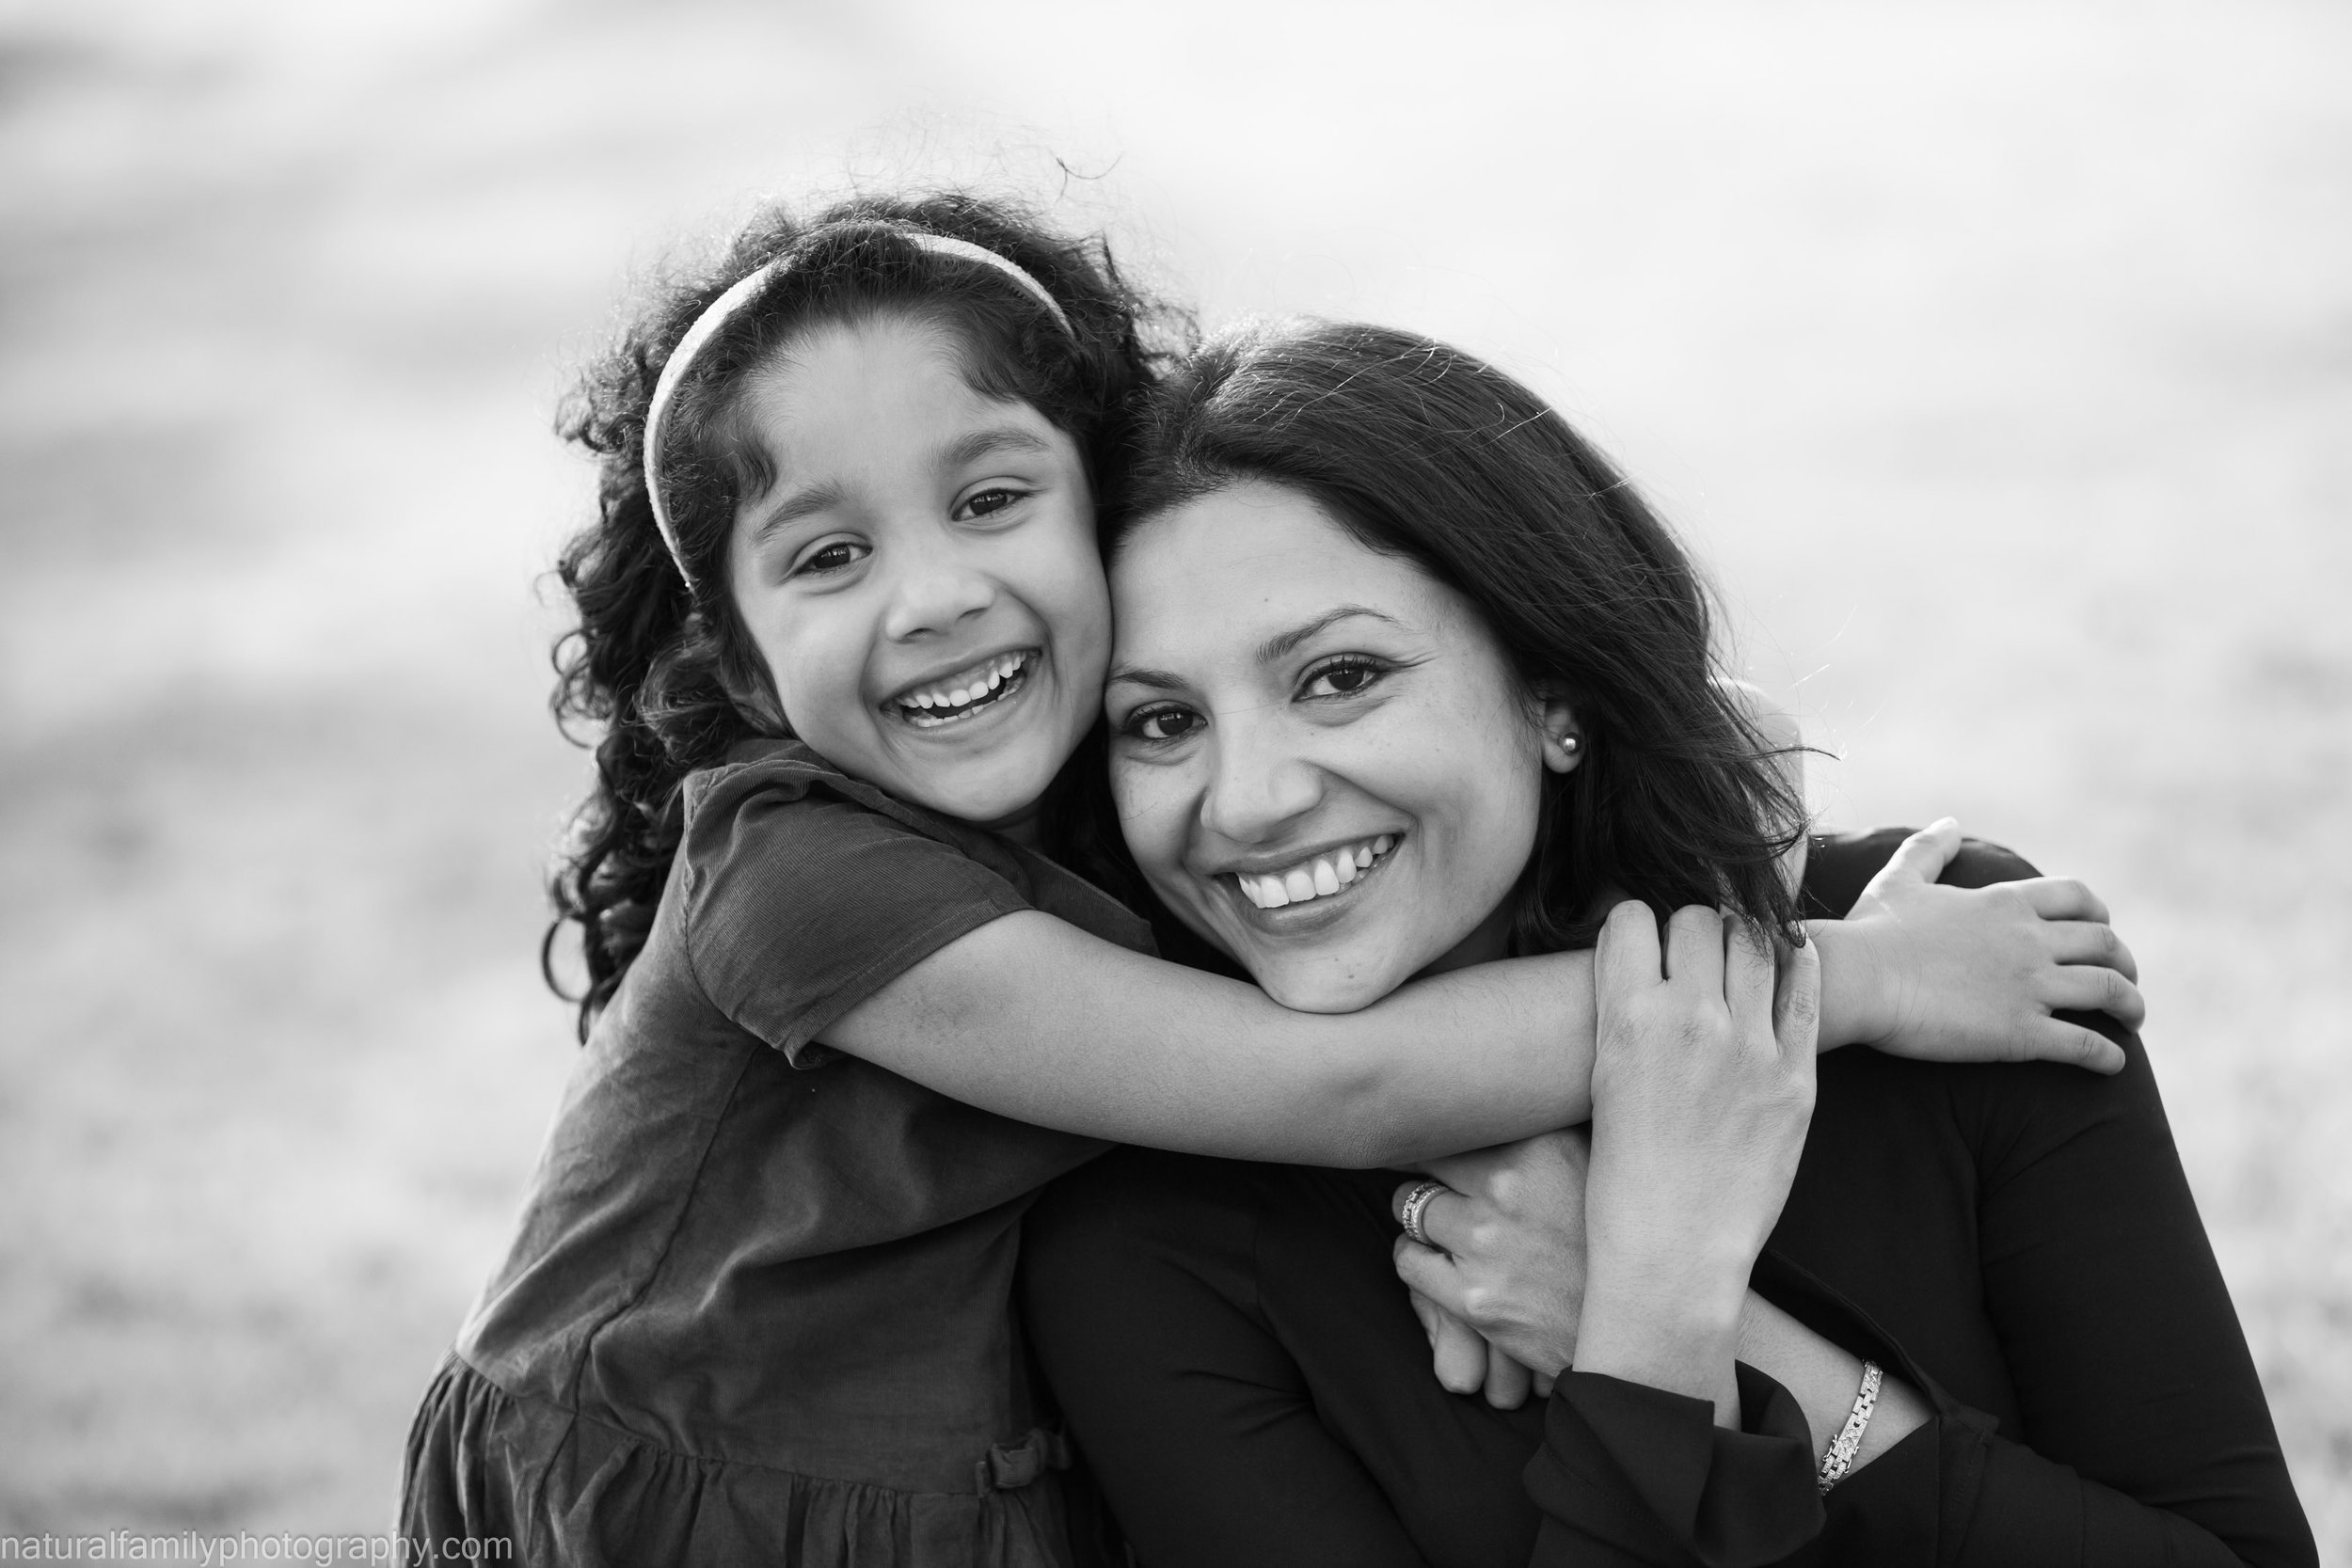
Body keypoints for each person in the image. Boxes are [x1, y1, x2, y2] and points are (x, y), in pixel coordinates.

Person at [397, 192, 2145, 1568]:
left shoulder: (1086, 790)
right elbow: (1341, 1082)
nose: (930, 595)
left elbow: (1682, 735)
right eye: (834, 553)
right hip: (673, 1500)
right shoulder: (802, 878)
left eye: (992, 499)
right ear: (751, 668)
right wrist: (1860, 982)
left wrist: (1703, 795)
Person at [1018, 319, 2316, 1566]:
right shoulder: (1146, 1257)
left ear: (1556, 697)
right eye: (1161, 723)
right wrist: (1648, 1341)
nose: (1245, 799)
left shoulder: (1956, 965)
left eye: (1341, 678)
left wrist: (1700, 1318)